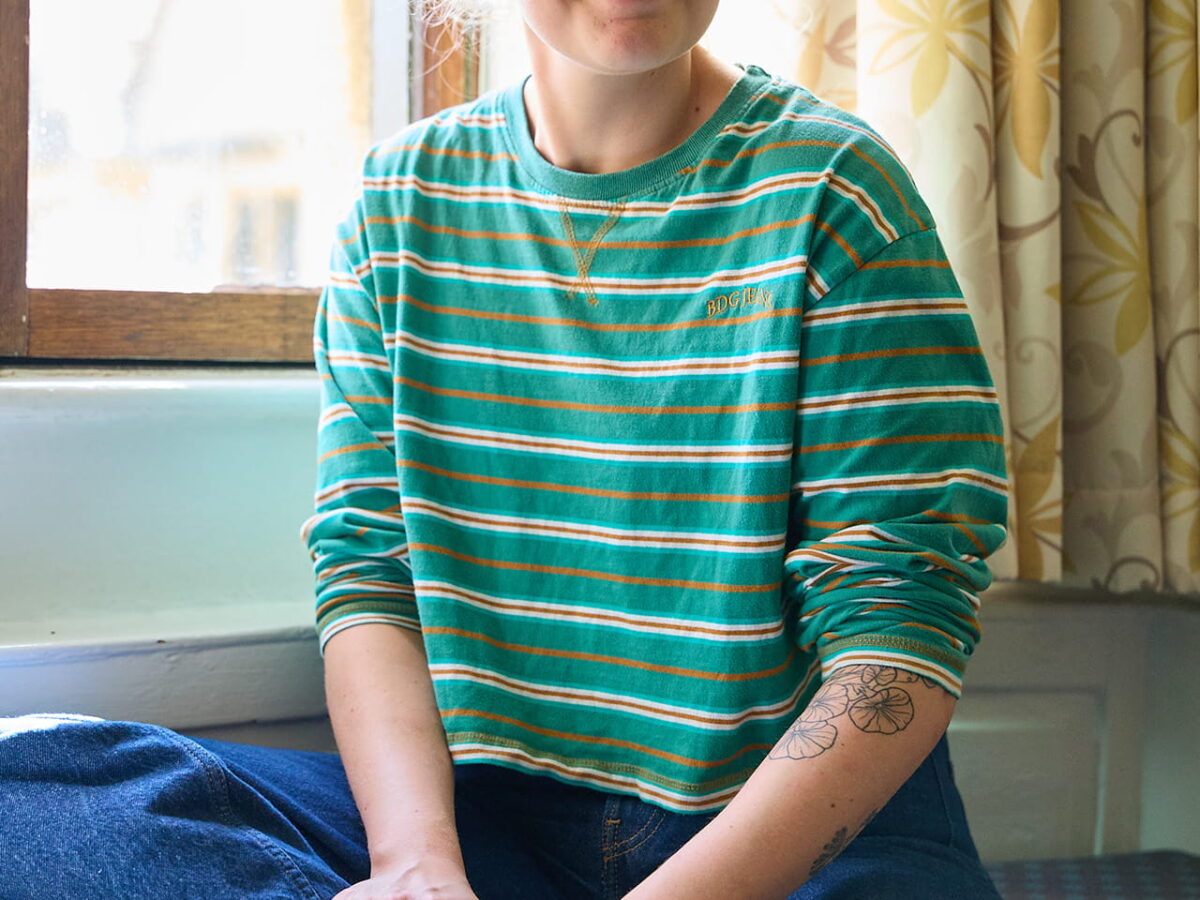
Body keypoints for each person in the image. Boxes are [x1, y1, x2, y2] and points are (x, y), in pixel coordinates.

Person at [0, 1, 1008, 898]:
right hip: (487, 824)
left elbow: (897, 635)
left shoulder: (837, 190)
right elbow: (371, 572)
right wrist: (414, 862)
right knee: (36, 794)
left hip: (791, 839)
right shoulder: (402, 203)